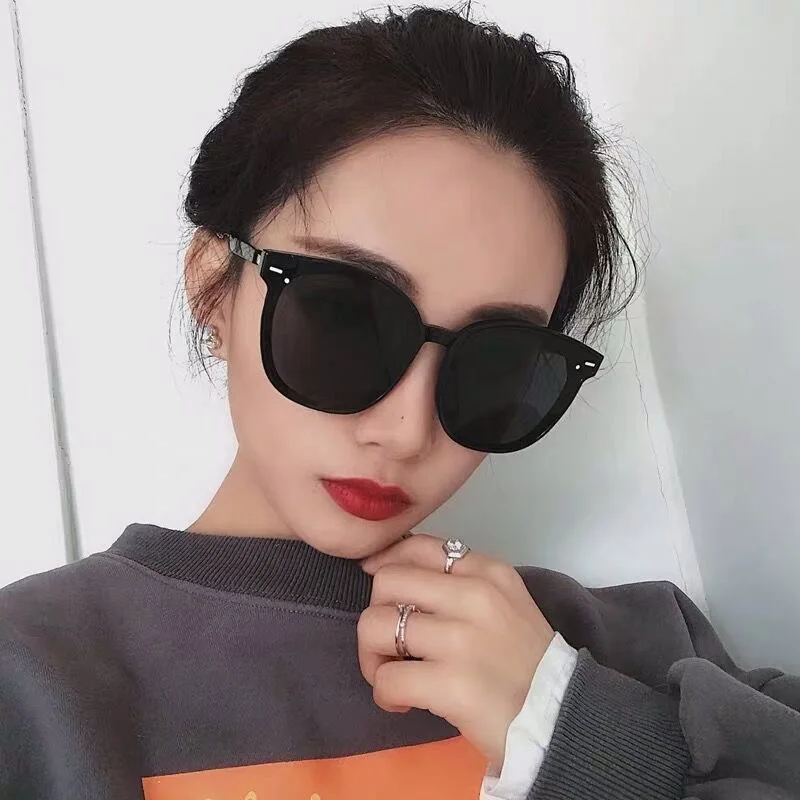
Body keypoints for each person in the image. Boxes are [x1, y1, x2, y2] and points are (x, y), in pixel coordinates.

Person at [1, 4, 798, 799]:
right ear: (214, 287)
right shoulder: (31, 681)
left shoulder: (648, 652)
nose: (408, 429)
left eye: (497, 361)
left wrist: (581, 730)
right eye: (346, 316)